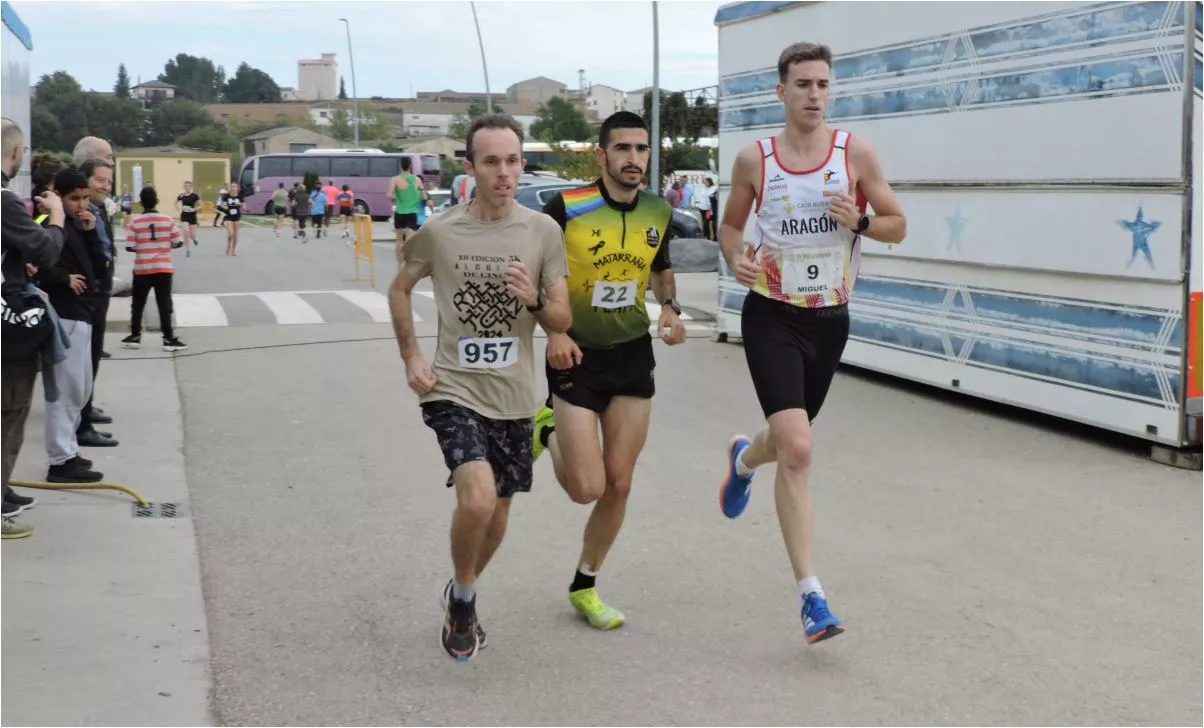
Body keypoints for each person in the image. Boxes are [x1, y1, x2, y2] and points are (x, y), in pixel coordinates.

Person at [717, 42, 907, 645]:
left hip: (829, 319)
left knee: (785, 442)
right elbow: (728, 226)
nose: (814, 95)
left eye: (823, 84)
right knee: (799, 447)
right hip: (772, 316)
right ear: (781, 91)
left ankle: (745, 460)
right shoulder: (756, 159)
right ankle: (812, 598)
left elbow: (897, 225)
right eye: (803, 84)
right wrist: (736, 259)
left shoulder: (855, 154)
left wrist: (860, 222)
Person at [387, 113, 570, 662]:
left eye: (513, 161)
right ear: (470, 168)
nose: (504, 172)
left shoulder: (543, 232)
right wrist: (412, 357)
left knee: (497, 515)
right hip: (453, 389)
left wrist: (533, 300)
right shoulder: (441, 231)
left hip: (514, 395)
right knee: (478, 498)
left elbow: (561, 319)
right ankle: (465, 604)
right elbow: (399, 290)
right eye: (491, 161)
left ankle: (460, 590)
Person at [530, 111, 687, 630]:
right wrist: (552, 330)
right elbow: (536, 273)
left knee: (620, 484)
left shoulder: (658, 210)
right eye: (623, 149)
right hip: (575, 356)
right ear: (602, 155)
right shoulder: (566, 207)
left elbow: (661, 266)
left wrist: (670, 308)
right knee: (587, 488)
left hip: (632, 354)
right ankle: (546, 425)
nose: (634, 159)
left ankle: (585, 583)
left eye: (642, 150)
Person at [1, 117, 66, 539]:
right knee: (9, 409)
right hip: (8, 326)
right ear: (16, 153)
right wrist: (56, 216)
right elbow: (46, 251)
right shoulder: (5, 201)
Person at [33, 168, 107, 485]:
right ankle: (60, 460)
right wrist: (63, 279)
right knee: (62, 392)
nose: (81, 205)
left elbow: (99, 270)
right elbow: (33, 264)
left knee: (79, 390)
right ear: (60, 198)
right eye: (74, 199)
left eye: (85, 198)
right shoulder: (49, 225)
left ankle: (69, 451)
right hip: (63, 315)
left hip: (83, 313)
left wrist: (91, 233)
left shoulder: (81, 225)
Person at [74, 158, 119, 449]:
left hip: (100, 291)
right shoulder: (83, 213)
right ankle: (82, 423)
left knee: (91, 361)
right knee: (84, 361)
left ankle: (86, 412)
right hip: (88, 295)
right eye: (100, 180)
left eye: (109, 181)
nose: (106, 186)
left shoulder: (99, 209)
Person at [120, 187, 187, 352]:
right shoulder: (167, 219)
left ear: (141, 203)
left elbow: (130, 247)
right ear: (157, 201)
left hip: (142, 269)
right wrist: (163, 246)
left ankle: (135, 336)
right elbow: (178, 242)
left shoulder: (135, 222)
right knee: (164, 303)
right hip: (163, 268)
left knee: (138, 303)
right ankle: (168, 339)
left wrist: (144, 247)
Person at [387, 157, 423, 247]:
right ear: (410, 166)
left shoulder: (394, 179)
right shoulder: (417, 180)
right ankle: (407, 261)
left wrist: (395, 199)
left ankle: (400, 261)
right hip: (412, 213)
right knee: (409, 241)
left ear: (400, 166)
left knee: (399, 241)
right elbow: (424, 196)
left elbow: (389, 195)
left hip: (399, 212)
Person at [177, 181, 202, 249]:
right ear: (184, 187)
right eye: (186, 186)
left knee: (192, 235)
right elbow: (175, 203)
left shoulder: (194, 196)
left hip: (192, 216)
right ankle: (187, 249)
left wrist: (194, 209)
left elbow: (201, 205)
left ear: (191, 187)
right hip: (184, 215)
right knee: (186, 230)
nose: (187, 187)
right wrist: (178, 207)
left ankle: (194, 239)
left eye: (188, 186)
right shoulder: (181, 195)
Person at [221, 182, 243, 255]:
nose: (233, 188)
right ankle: (228, 246)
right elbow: (223, 205)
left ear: (237, 188)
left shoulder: (240, 196)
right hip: (229, 217)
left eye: (235, 187)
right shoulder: (226, 196)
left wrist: (241, 204)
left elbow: (244, 206)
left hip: (237, 217)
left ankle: (233, 250)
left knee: (235, 235)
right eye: (232, 187)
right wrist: (225, 207)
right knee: (230, 234)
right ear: (230, 188)